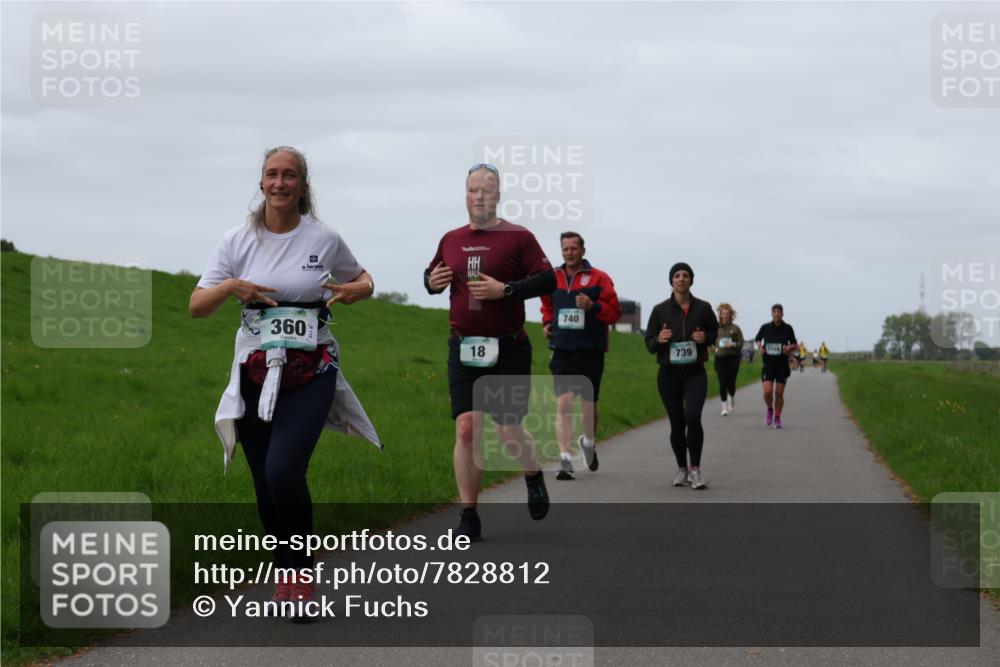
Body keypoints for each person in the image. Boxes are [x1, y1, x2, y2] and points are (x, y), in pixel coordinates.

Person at [189, 146, 382, 615]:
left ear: (303, 185)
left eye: (289, 175)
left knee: (283, 470)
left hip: (312, 367)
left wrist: (359, 288)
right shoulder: (237, 240)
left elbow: (363, 280)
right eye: (272, 175)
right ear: (261, 184)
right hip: (255, 368)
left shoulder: (324, 238)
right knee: (263, 479)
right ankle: (286, 570)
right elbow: (197, 305)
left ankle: (302, 573)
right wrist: (233, 287)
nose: (280, 183)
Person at [424, 163, 556, 540]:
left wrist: (507, 291)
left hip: (509, 348)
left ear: (498, 195)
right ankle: (469, 515)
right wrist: (430, 281)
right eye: (473, 189)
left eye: (486, 189)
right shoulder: (450, 238)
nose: (479, 195)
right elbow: (434, 275)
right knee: (466, 428)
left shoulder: (519, 237)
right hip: (463, 347)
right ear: (465, 195)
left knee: (508, 430)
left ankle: (532, 473)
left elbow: (547, 278)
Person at [540, 232, 621, 480]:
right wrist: (546, 323)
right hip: (563, 349)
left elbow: (614, 312)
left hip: (590, 351)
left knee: (589, 406)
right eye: (565, 248)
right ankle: (565, 459)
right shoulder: (552, 277)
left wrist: (593, 306)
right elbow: (547, 305)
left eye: (574, 248)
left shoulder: (599, 278)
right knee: (563, 404)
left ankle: (588, 441)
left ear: (583, 251)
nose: (569, 252)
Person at [645, 263, 718, 490]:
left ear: (691, 280)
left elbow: (714, 333)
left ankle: (695, 469)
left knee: (693, 417)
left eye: (686, 275)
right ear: (671, 281)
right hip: (669, 374)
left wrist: (704, 337)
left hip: (695, 372)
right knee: (677, 424)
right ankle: (681, 469)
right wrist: (660, 339)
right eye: (677, 275)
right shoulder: (659, 310)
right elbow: (649, 343)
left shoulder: (704, 308)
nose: (681, 279)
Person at [754, 304, 798, 429]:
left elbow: (795, 344)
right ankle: (769, 409)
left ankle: (777, 417)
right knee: (768, 392)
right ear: (772, 314)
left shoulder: (788, 328)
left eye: (779, 312)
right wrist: (760, 347)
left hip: (782, 364)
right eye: (774, 312)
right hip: (768, 363)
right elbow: (757, 339)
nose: (777, 314)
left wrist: (789, 347)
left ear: (782, 314)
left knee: (779, 393)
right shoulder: (765, 327)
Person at [713, 303, 745, 416]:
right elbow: (711, 341)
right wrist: (713, 348)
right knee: (722, 382)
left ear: (731, 315)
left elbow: (741, 343)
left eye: (727, 313)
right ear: (720, 315)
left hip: (733, 359)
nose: (725, 316)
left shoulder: (735, 328)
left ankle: (732, 395)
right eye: (723, 313)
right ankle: (724, 408)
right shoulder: (715, 327)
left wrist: (733, 345)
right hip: (720, 359)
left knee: (731, 383)